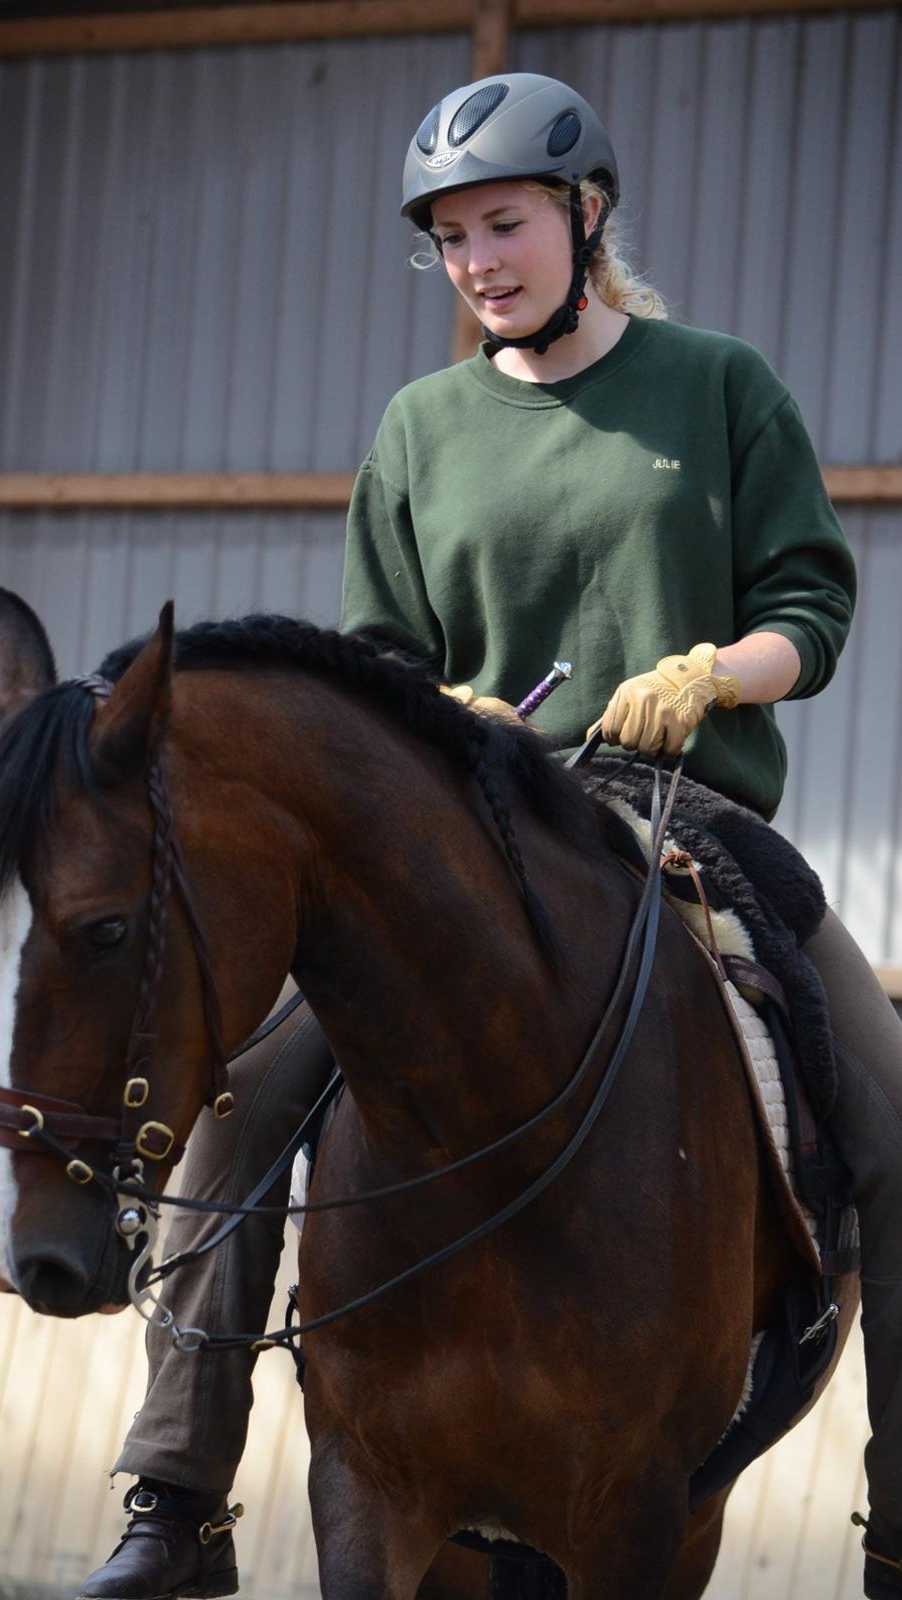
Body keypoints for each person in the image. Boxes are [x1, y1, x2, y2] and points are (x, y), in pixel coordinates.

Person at [78, 73, 902, 1600]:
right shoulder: (420, 427)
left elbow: (812, 605)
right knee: (240, 1112)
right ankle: (176, 1496)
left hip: (685, 813)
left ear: (586, 216)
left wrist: (714, 675)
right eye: (450, 238)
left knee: (899, 1115)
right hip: (472, 827)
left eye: (504, 224)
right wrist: (435, 708)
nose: (478, 262)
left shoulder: (719, 386)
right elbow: (376, 659)